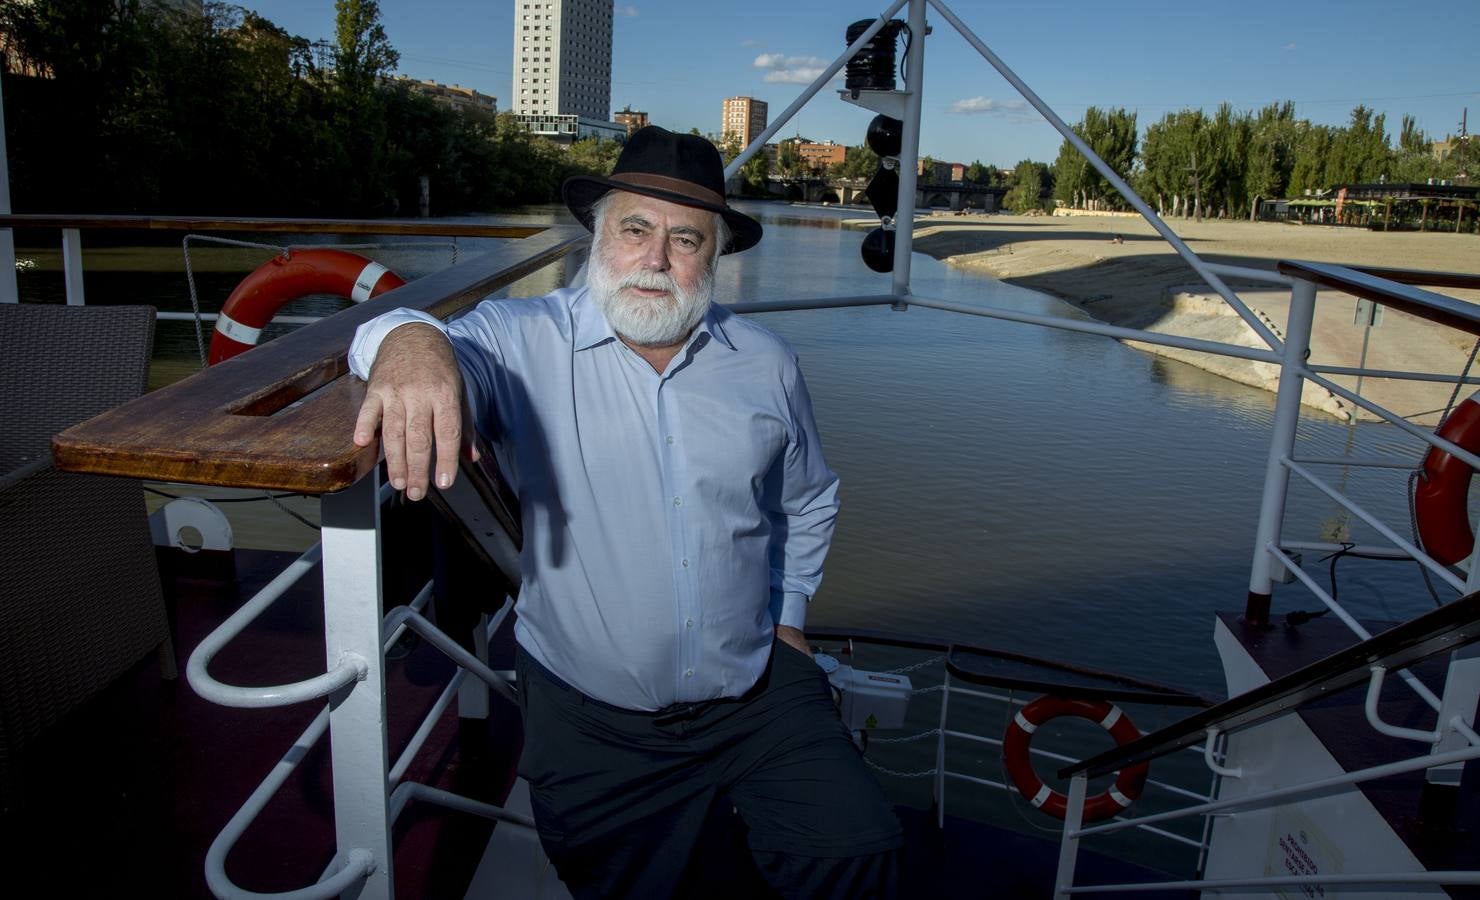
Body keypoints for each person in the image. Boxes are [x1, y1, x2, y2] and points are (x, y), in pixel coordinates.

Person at [347, 126, 902, 899]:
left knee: (861, 846)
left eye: (685, 239)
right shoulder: (521, 341)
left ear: (713, 257)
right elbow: (408, 338)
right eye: (635, 229)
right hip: (593, 717)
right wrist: (411, 348)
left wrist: (791, 615)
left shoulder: (767, 364)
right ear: (597, 236)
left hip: (752, 695)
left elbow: (808, 498)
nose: (655, 258)